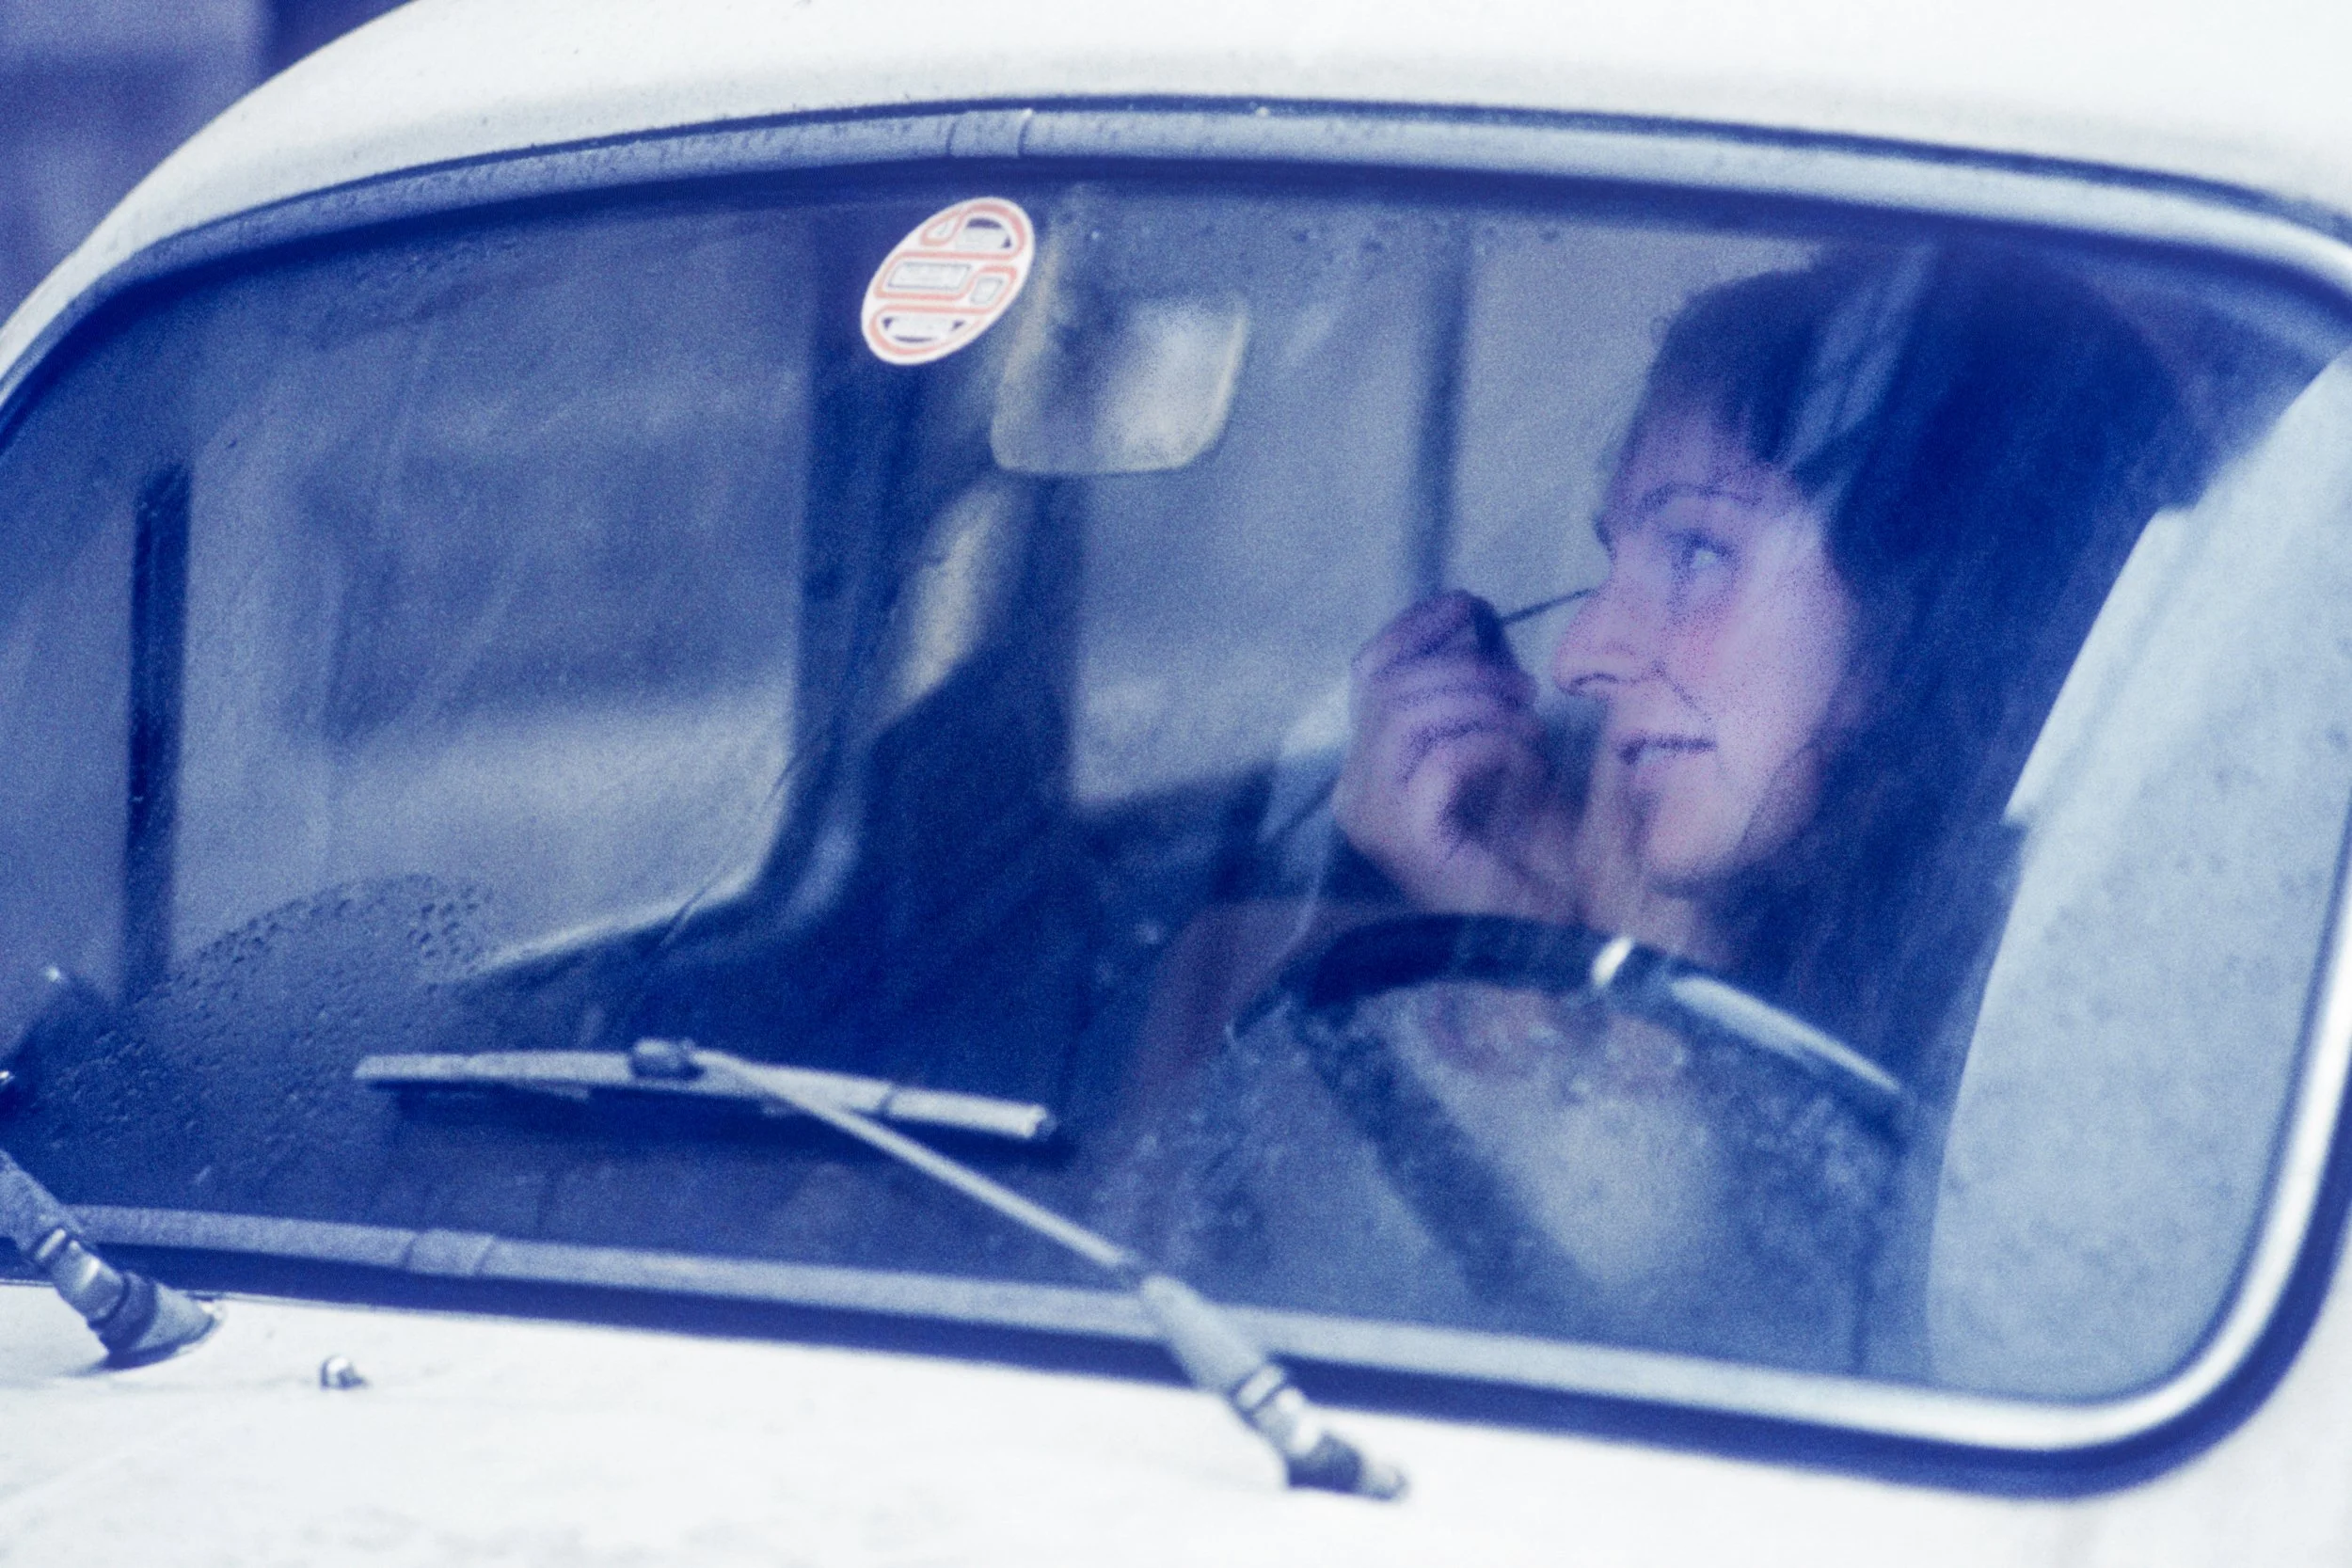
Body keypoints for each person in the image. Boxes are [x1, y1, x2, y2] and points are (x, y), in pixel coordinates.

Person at [1333, 245, 2207, 1075]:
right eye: (1615, 564)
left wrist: (1504, 963)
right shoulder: (1831, 955)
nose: (1576, 659)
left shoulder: (2059, 1020)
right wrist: (1551, 917)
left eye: (1696, 555)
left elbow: (1656, 1224)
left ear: (1929, 610)